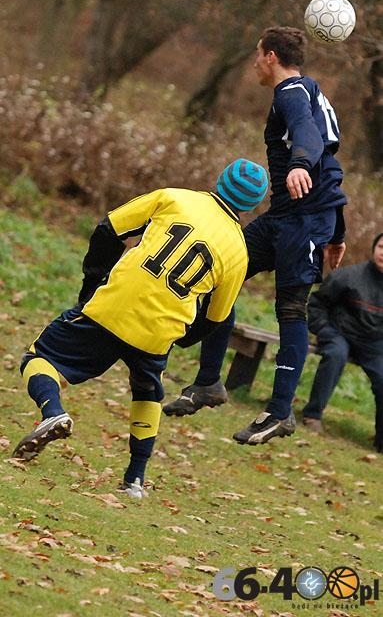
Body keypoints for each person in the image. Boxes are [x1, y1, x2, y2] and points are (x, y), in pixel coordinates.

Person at [12, 158, 268, 498]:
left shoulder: (175, 197)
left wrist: (92, 284)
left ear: (220, 180)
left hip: (112, 306)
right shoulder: (239, 252)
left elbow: (108, 228)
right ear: (252, 205)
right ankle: (134, 480)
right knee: (148, 392)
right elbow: (216, 318)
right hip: (159, 331)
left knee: (39, 358)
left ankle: (53, 413)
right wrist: (181, 338)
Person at [163, 25, 348, 447]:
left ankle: (279, 412)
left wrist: (298, 164)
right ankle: (208, 382)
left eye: (257, 54)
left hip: (304, 220)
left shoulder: (291, 93)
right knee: (219, 273)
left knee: (291, 309)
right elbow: (331, 167)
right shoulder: (309, 91)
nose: (253, 63)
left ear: (271, 57)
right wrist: (339, 232)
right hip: (287, 216)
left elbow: (309, 138)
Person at [302, 233, 383, 452]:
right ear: (374, 249)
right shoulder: (348, 276)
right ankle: (312, 415)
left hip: (374, 345)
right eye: (381, 247)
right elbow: (317, 304)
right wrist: (324, 330)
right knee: (335, 355)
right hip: (340, 335)